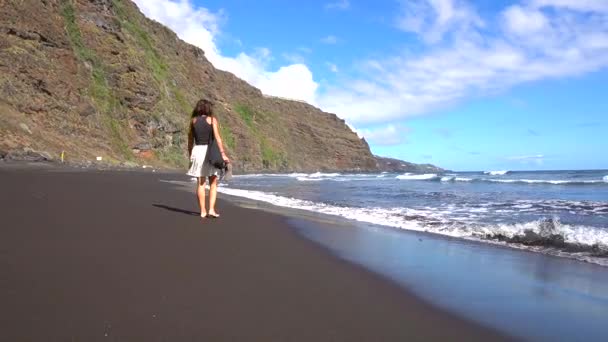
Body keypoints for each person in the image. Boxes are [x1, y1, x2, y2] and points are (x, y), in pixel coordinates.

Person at [187, 99, 230, 219]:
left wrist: (190, 154)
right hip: (210, 152)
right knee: (213, 183)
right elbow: (218, 138)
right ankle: (211, 210)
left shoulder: (193, 121)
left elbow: (190, 140)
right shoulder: (212, 120)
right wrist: (223, 153)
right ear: (208, 108)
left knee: (200, 183)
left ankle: (202, 211)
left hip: (198, 151)